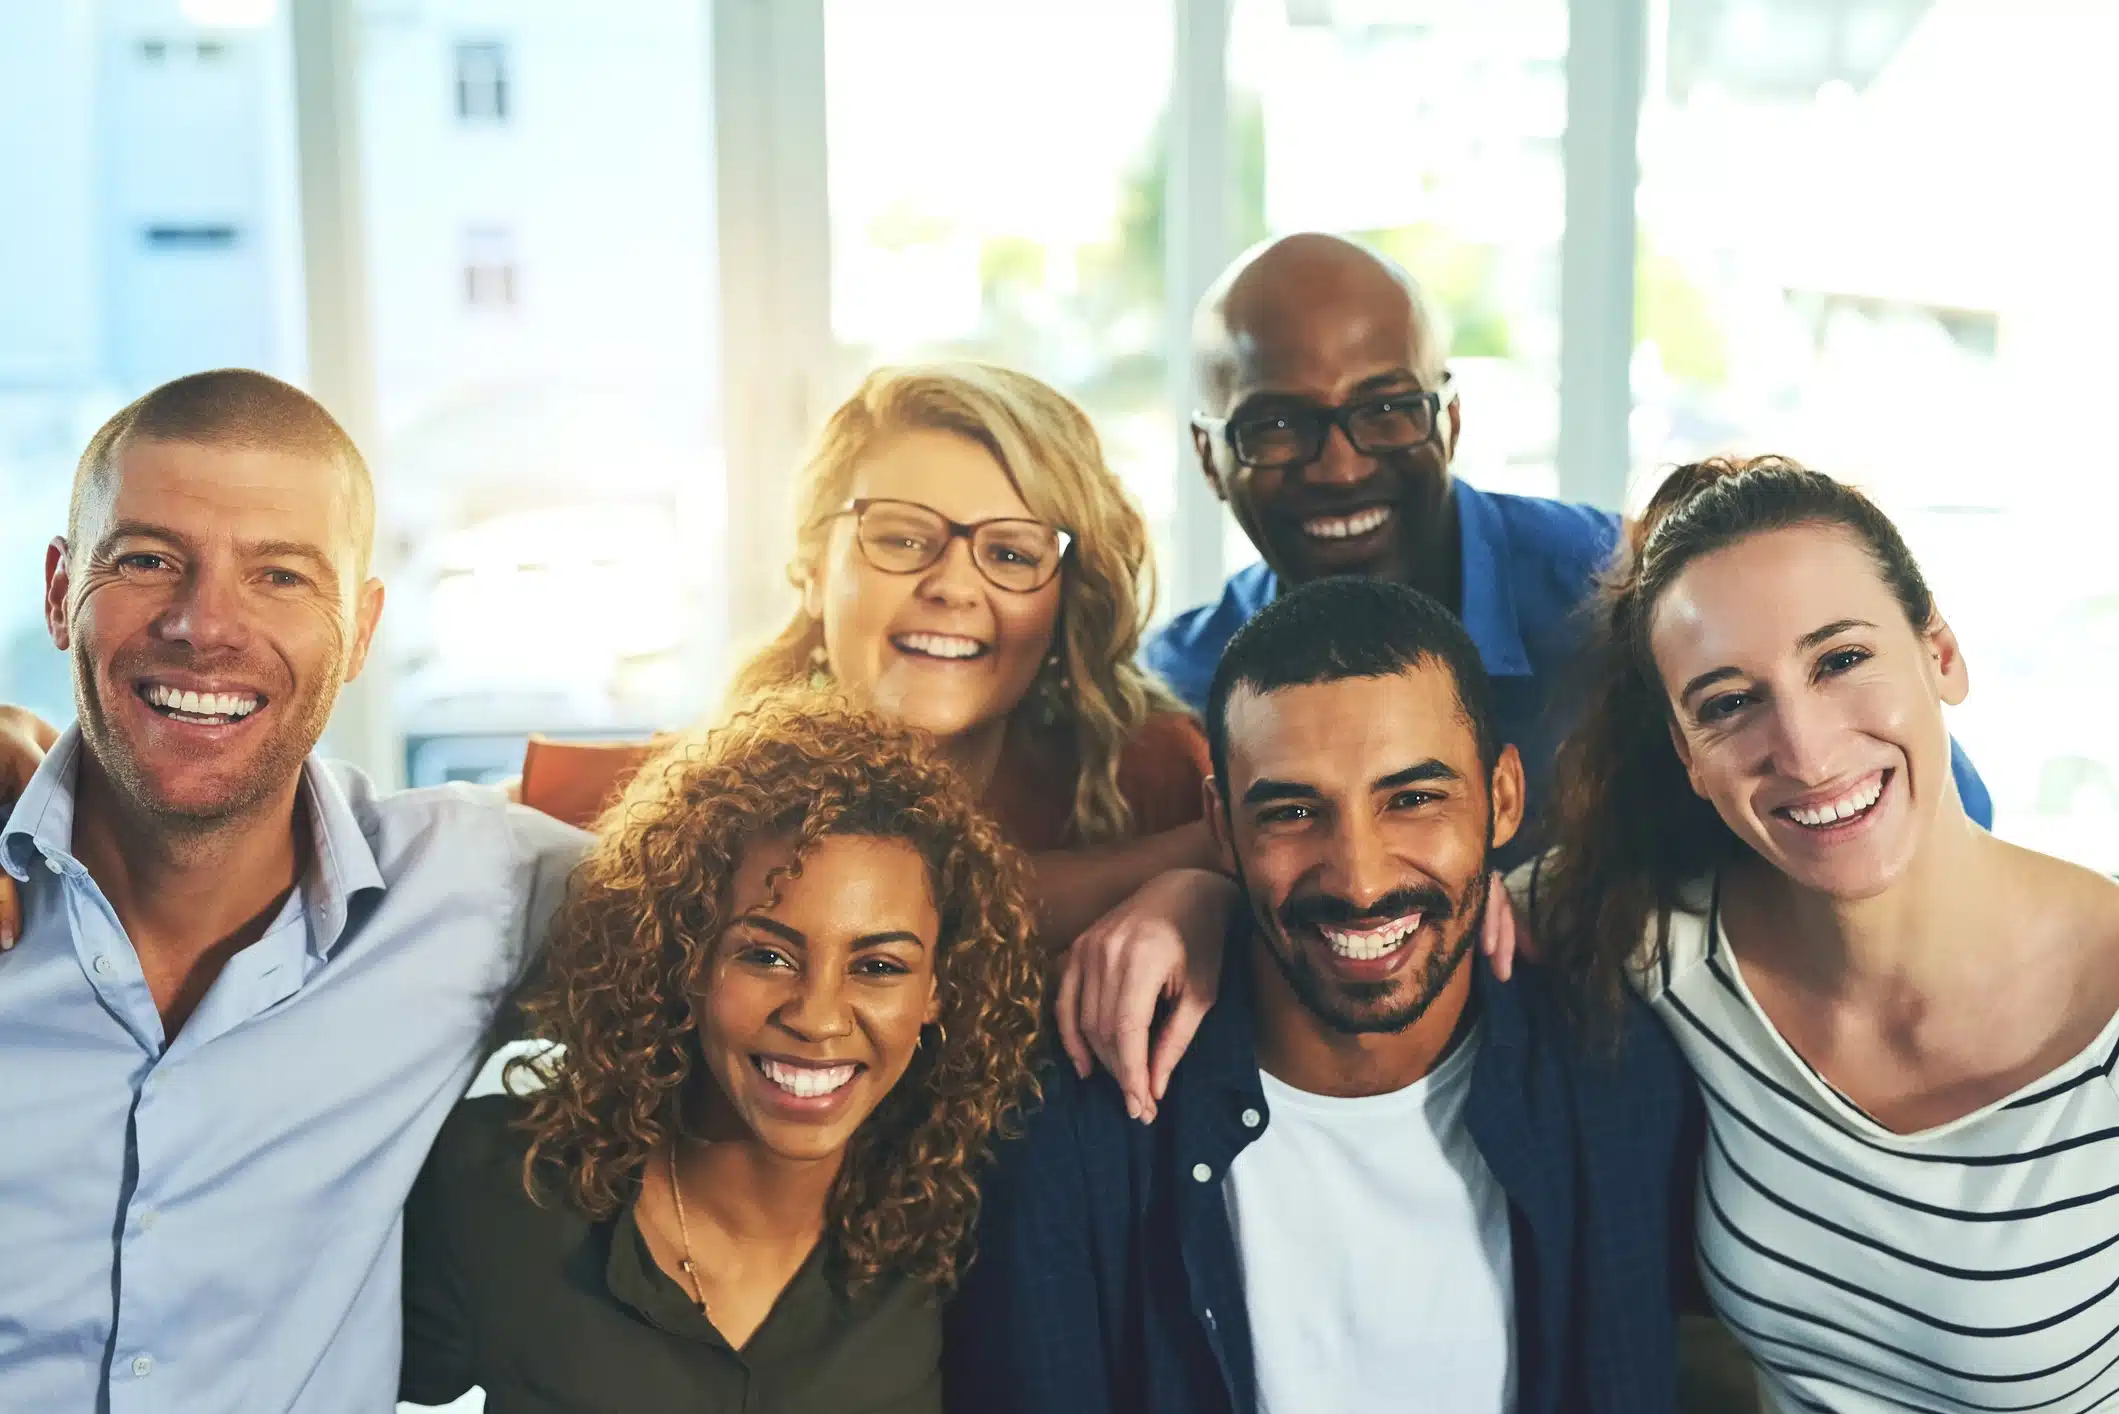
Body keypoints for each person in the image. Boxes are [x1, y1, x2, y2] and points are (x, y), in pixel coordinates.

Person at [947, 577, 1699, 1414]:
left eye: (1412, 799)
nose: (1360, 879)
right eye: (1294, 812)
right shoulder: (1081, 1132)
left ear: (1504, 798)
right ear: (1222, 829)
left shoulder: (1619, 1079)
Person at [0, 369, 587, 1411]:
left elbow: (778, 843)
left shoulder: (471, 890)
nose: (203, 624)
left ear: (361, 631)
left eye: (279, 576)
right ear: (58, 590)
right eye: (145, 559)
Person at [1515, 456, 2119, 1412]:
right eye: (1727, 702)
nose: (1802, 749)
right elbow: (1408, 909)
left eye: (1838, 660)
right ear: (1686, 756)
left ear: (1940, 655)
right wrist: (1194, 902)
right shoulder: (1665, 940)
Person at [1144, 231, 1991, 853]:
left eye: (1384, 410)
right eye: (1278, 425)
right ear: (1207, 457)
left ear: (1451, 420)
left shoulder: (1618, 595)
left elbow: (1940, 814)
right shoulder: (1177, 687)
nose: (1338, 466)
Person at [401, 694, 1045, 1413]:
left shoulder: (967, 1221)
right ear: (686, 956)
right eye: (767, 955)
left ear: (937, 991)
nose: (818, 1017)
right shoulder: (497, 1183)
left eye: (879, 967)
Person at [513, 362, 1220, 939]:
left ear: (1064, 597)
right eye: (901, 538)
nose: (950, 584)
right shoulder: (673, 803)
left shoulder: (1152, 778)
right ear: (813, 573)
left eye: (1009, 552)